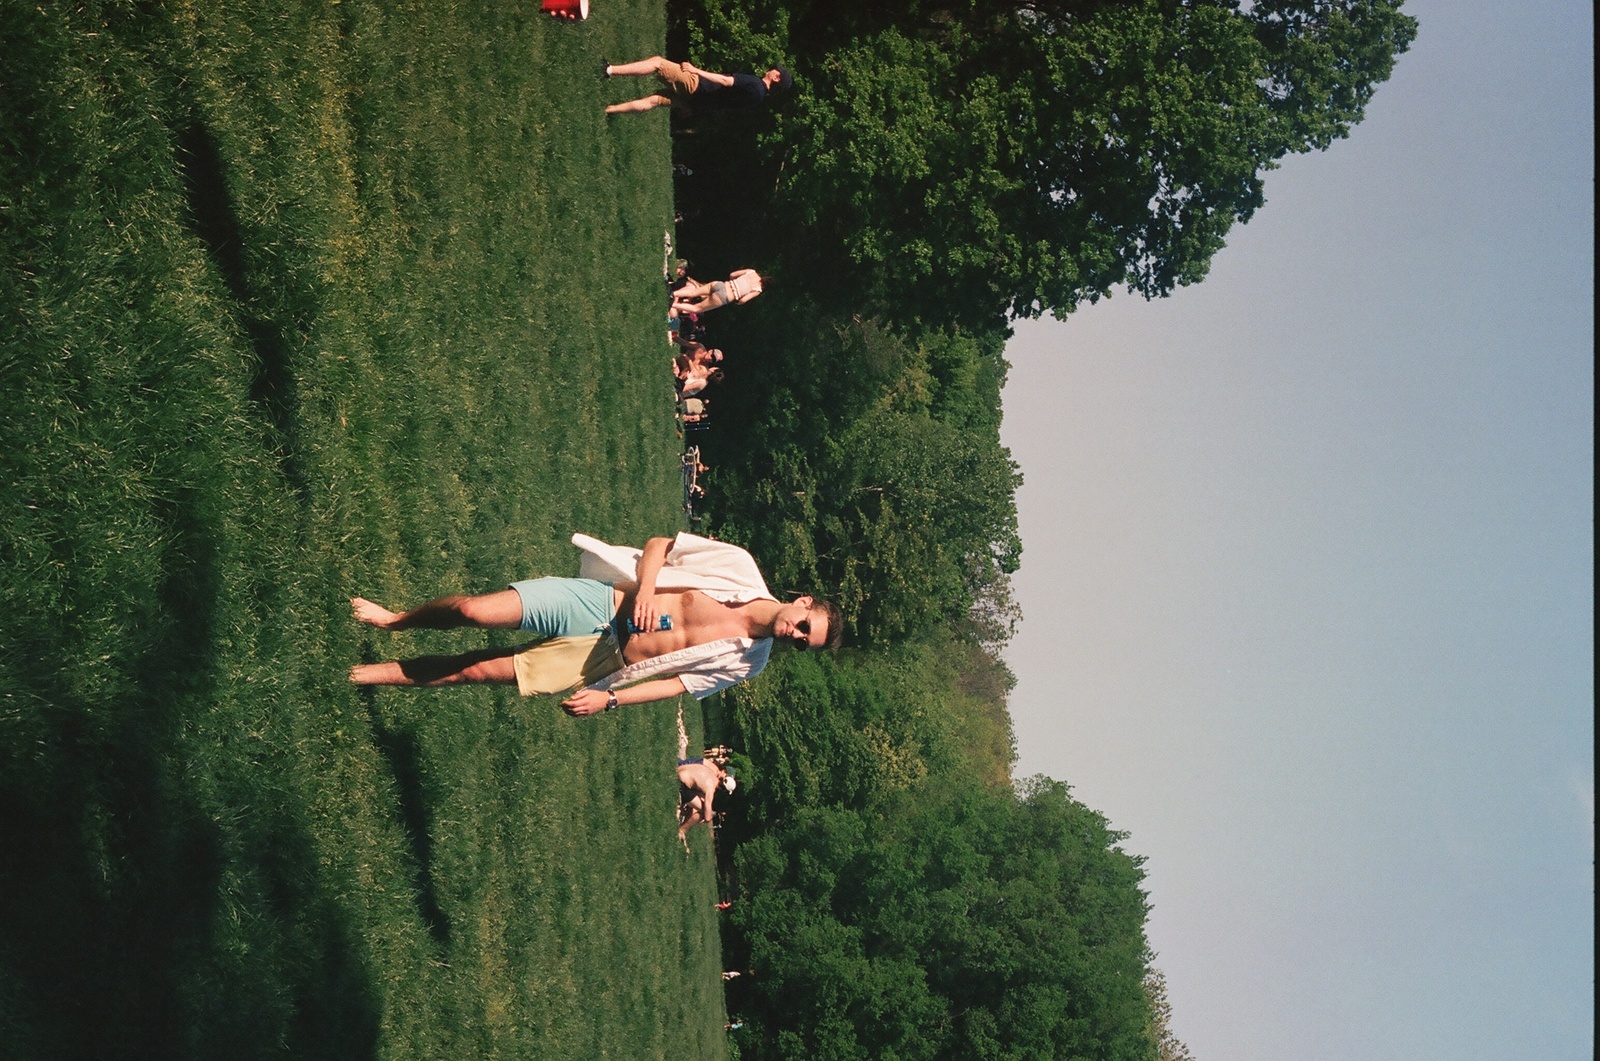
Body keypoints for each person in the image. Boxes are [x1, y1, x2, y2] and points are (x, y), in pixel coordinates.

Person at [349, 533, 841, 715]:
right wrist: (646, 592)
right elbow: (657, 545)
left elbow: (677, 687)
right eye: (804, 626)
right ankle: (394, 621)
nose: (794, 636)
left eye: (803, 643)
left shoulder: (748, 662)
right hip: (603, 604)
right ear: (802, 601)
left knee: (476, 671)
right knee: (471, 611)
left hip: (604, 660)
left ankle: (363, 675)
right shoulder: (738, 566)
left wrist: (610, 699)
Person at [603, 57, 792, 116]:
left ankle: (610, 70)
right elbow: (724, 107)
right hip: (697, 101)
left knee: (658, 63)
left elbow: (725, 81)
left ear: (776, 79)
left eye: (777, 71)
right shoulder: (758, 99)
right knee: (655, 101)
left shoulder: (754, 83)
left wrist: (696, 70)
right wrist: (694, 109)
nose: (774, 69)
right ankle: (609, 110)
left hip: (698, 85)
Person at [677, 757, 734, 839]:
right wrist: (709, 816)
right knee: (703, 811)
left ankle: (681, 813)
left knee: (699, 802)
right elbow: (707, 815)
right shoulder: (712, 787)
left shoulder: (711, 774)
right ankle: (681, 831)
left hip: (678, 772)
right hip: (681, 784)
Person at [670, 269, 762, 317]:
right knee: (696, 308)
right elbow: (743, 300)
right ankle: (672, 304)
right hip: (725, 296)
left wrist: (733, 283)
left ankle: (672, 293)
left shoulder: (751, 272)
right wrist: (738, 301)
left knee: (694, 292)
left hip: (721, 284)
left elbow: (732, 274)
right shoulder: (758, 289)